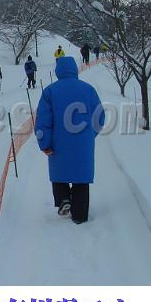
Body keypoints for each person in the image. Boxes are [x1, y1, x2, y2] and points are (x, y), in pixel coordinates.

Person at [34, 56, 105, 224]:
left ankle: (63, 199)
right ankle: (80, 215)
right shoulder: (89, 90)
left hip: (58, 143)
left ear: (58, 71)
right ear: (74, 69)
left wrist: (45, 144)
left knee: (60, 172)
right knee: (81, 178)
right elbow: (100, 117)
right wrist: (89, 135)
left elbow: (43, 121)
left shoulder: (50, 91)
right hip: (83, 144)